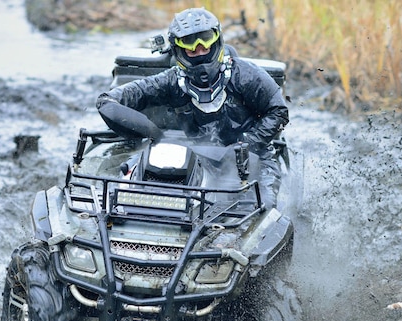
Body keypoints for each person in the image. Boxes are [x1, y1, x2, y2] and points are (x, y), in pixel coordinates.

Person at [96, 7, 289, 207]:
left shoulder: (246, 75)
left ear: (216, 42)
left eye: (204, 44)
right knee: (130, 194)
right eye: (191, 47)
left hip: (252, 156)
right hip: (197, 155)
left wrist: (248, 144)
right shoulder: (170, 81)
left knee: (262, 208)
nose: (199, 50)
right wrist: (116, 107)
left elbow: (279, 111)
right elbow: (119, 96)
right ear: (178, 50)